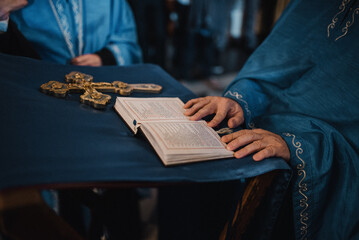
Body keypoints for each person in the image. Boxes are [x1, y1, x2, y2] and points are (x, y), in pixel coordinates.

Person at [182, 0, 359, 239]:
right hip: (260, 119)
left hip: (319, 158)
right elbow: (273, 64)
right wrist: (240, 101)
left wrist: (305, 148)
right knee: (190, 164)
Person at [9, 0, 142, 66]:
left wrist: (104, 58)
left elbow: (128, 42)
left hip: (102, 82)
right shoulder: (18, 3)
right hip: (40, 86)